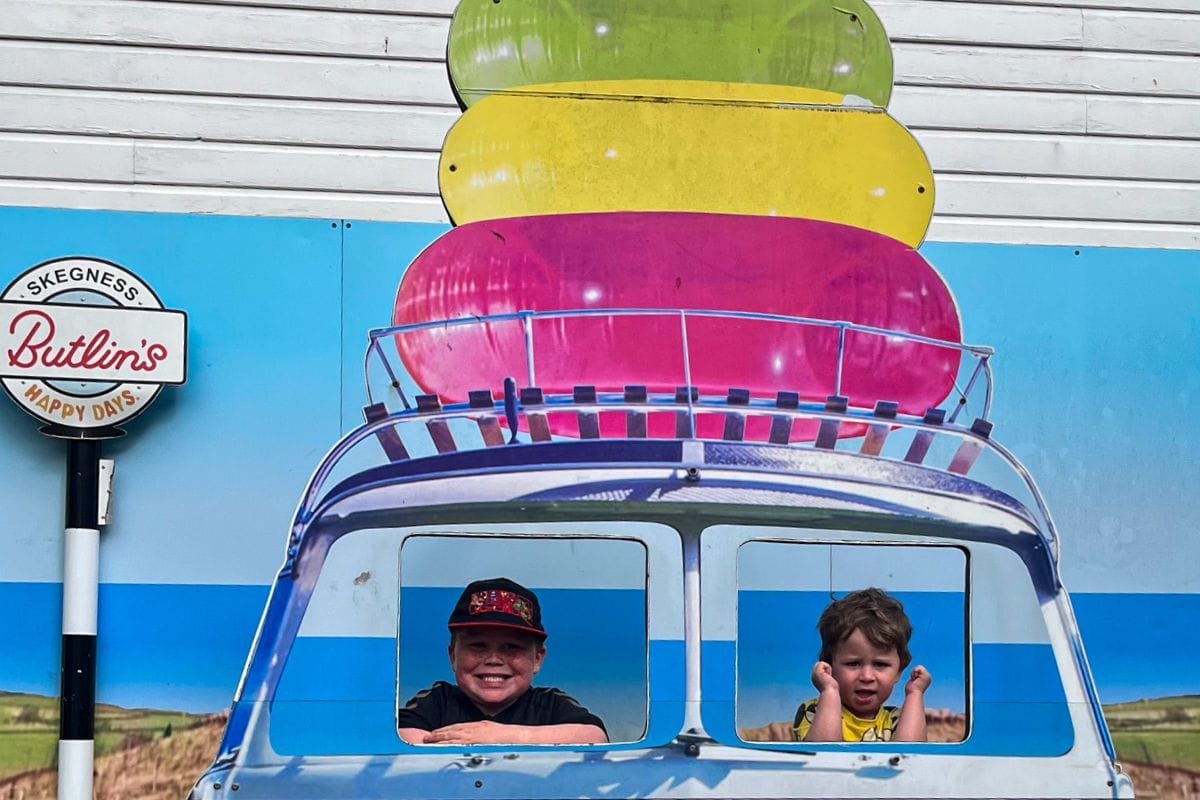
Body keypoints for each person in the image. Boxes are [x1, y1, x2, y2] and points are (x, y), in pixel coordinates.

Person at [396, 577, 608, 745]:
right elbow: (402, 738)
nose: (494, 659)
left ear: (537, 659)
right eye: (478, 645)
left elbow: (595, 737)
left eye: (511, 647)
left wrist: (498, 734)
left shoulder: (549, 703)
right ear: (453, 655)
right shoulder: (437, 700)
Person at [793, 587, 931, 742]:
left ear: (899, 670)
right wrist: (830, 691)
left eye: (880, 664)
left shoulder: (897, 720)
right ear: (829, 667)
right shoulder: (815, 710)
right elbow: (824, 754)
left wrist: (915, 694)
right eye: (853, 664)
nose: (866, 676)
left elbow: (911, 755)